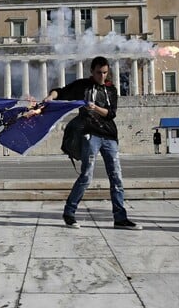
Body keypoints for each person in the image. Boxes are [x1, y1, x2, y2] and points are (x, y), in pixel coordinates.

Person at [44, 56, 142, 230]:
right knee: (86, 176)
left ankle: (120, 218)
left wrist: (95, 107)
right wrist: (50, 97)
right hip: (90, 134)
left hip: (110, 136)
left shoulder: (111, 89)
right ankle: (69, 213)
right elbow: (61, 91)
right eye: (99, 73)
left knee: (116, 178)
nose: (102, 76)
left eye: (105, 73)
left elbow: (111, 113)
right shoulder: (83, 85)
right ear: (92, 71)